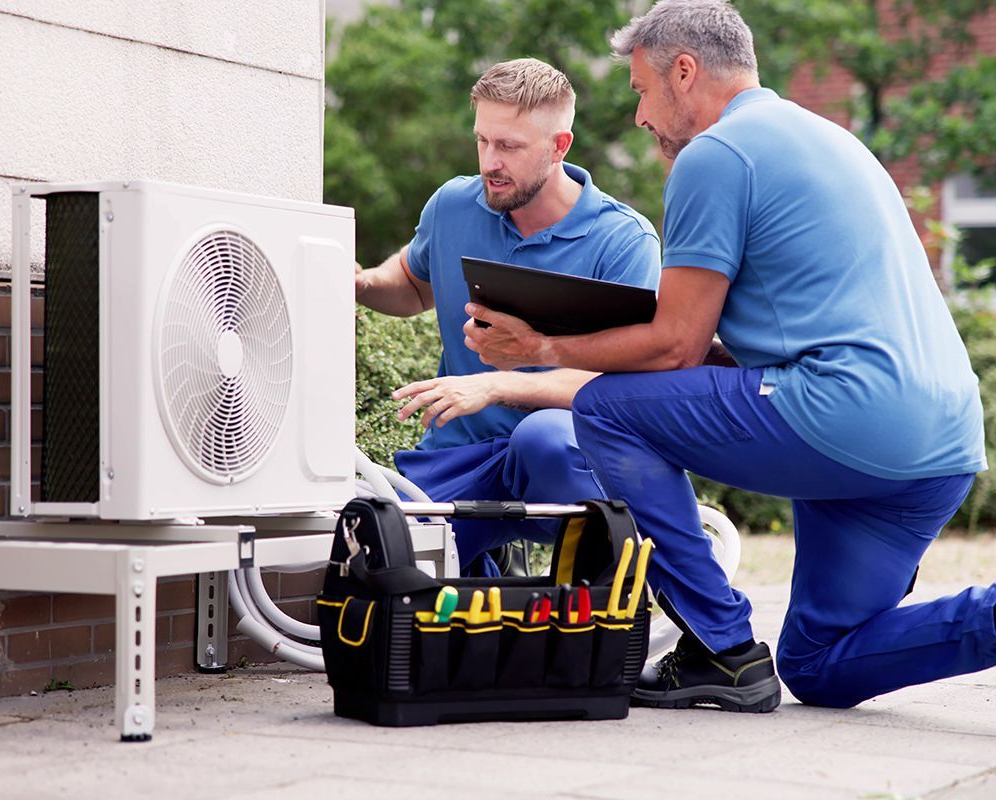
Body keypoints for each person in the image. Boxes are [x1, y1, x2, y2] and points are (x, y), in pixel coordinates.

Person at [463, 0, 990, 713]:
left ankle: (724, 646)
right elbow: (726, 344)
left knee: (607, 412)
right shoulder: (826, 137)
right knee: (819, 665)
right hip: (941, 444)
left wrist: (540, 347)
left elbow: (675, 346)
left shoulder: (717, 152)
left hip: (842, 415)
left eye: (642, 92)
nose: (643, 117)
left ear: (685, 72)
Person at [355, 58, 661, 575]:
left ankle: (611, 591)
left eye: (510, 147)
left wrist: (496, 387)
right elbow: (410, 285)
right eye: (483, 141)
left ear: (559, 146)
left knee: (541, 439)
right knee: (385, 562)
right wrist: (358, 283)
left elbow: (626, 384)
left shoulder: (623, 241)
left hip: (566, 454)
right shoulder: (452, 206)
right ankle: (488, 571)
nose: (489, 162)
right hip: (459, 452)